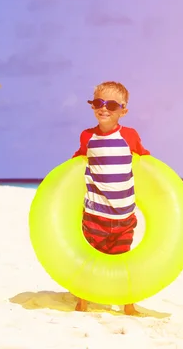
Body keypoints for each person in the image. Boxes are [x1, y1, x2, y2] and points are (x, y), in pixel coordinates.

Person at [71, 81, 150, 315]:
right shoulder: (87, 136)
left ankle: (128, 304)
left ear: (123, 111)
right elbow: (77, 161)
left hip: (125, 217)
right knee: (91, 260)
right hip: (95, 215)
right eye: (98, 103)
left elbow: (145, 161)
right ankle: (82, 301)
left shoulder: (130, 136)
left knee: (123, 263)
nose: (104, 108)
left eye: (112, 105)